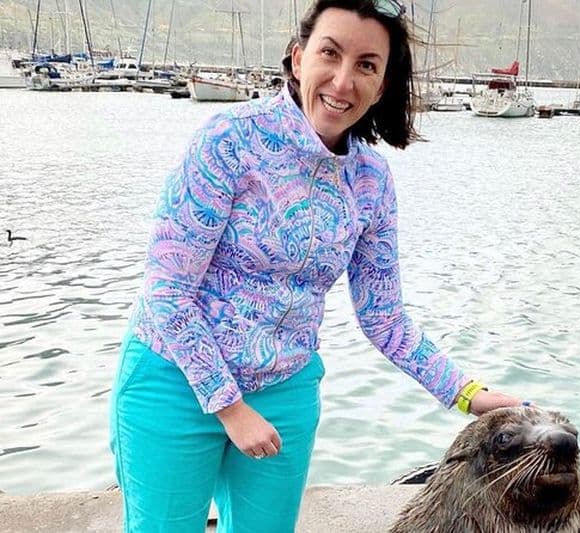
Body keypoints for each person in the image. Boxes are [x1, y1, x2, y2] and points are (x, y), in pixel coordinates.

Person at [109, 1, 526, 531]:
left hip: (283, 390)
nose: (343, 80)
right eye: (330, 53)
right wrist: (229, 407)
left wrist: (468, 395)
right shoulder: (229, 140)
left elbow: (384, 318)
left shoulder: (371, 179)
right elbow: (168, 291)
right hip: (173, 380)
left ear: (382, 84)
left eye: (366, 65)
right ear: (297, 58)